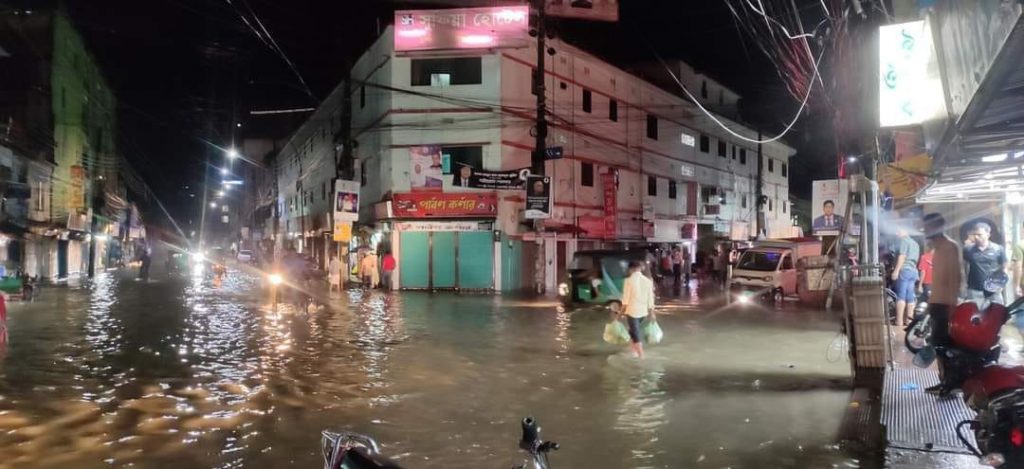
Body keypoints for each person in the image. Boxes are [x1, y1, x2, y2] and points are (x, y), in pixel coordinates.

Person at [922, 213, 963, 395]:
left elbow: (955, 278)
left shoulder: (949, 247)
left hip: (945, 305)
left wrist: (952, 307)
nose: (925, 230)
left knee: (944, 347)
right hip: (937, 303)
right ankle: (944, 381)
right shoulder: (938, 249)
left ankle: (950, 384)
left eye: (928, 227)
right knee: (938, 346)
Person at [963, 222, 1007, 305]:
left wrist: (1001, 284)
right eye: (974, 234)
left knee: (998, 315)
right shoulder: (968, 249)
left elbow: (1004, 267)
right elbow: (964, 266)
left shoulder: (998, 249)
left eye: (979, 235)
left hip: (994, 290)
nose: (976, 237)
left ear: (988, 234)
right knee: (975, 316)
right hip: (975, 291)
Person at [620, 260, 656, 359]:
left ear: (630, 269)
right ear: (640, 268)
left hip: (632, 311)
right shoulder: (648, 281)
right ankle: (634, 351)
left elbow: (625, 300)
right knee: (633, 330)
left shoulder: (628, 281)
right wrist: (652, 313)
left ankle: (641, 356)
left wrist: (620, 313)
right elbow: (650, 299)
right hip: (643, 311)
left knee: (635, 332)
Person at [890, 224, 920, 327]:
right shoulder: (915, 243)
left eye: (899, 231)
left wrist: (896, 271)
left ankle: (898, 321)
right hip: (913, 271)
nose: (897, 233)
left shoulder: (904, 241)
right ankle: (909, 321)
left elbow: (902, 256)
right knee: (910, 296)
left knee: (901, 295)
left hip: (905, 270)